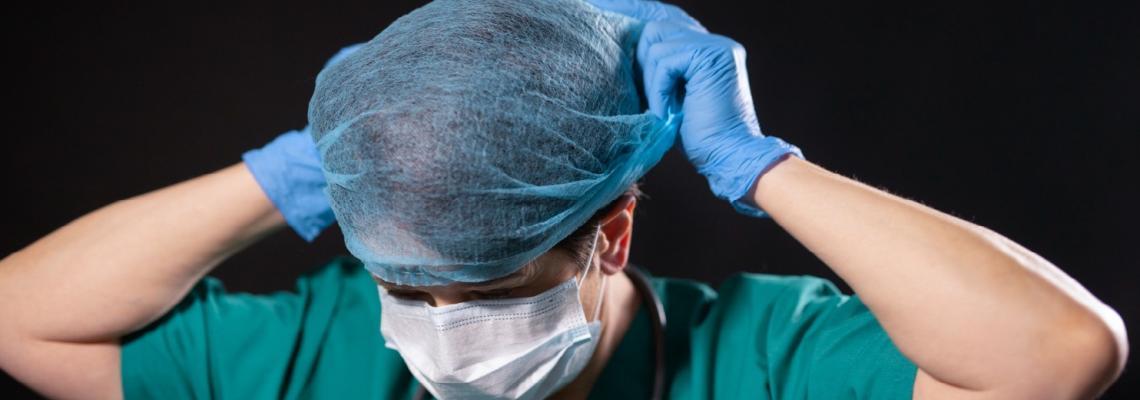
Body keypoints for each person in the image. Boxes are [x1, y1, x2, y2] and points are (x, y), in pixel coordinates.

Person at [0, 0, 1127, 399]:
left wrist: (759, 166)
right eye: (402, 283)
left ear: (612, 233)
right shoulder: (315, 355)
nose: (436, 338)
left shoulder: (760, 359)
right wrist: (304, 166)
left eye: (485, 287)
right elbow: (17, 313)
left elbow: (1058, 358)